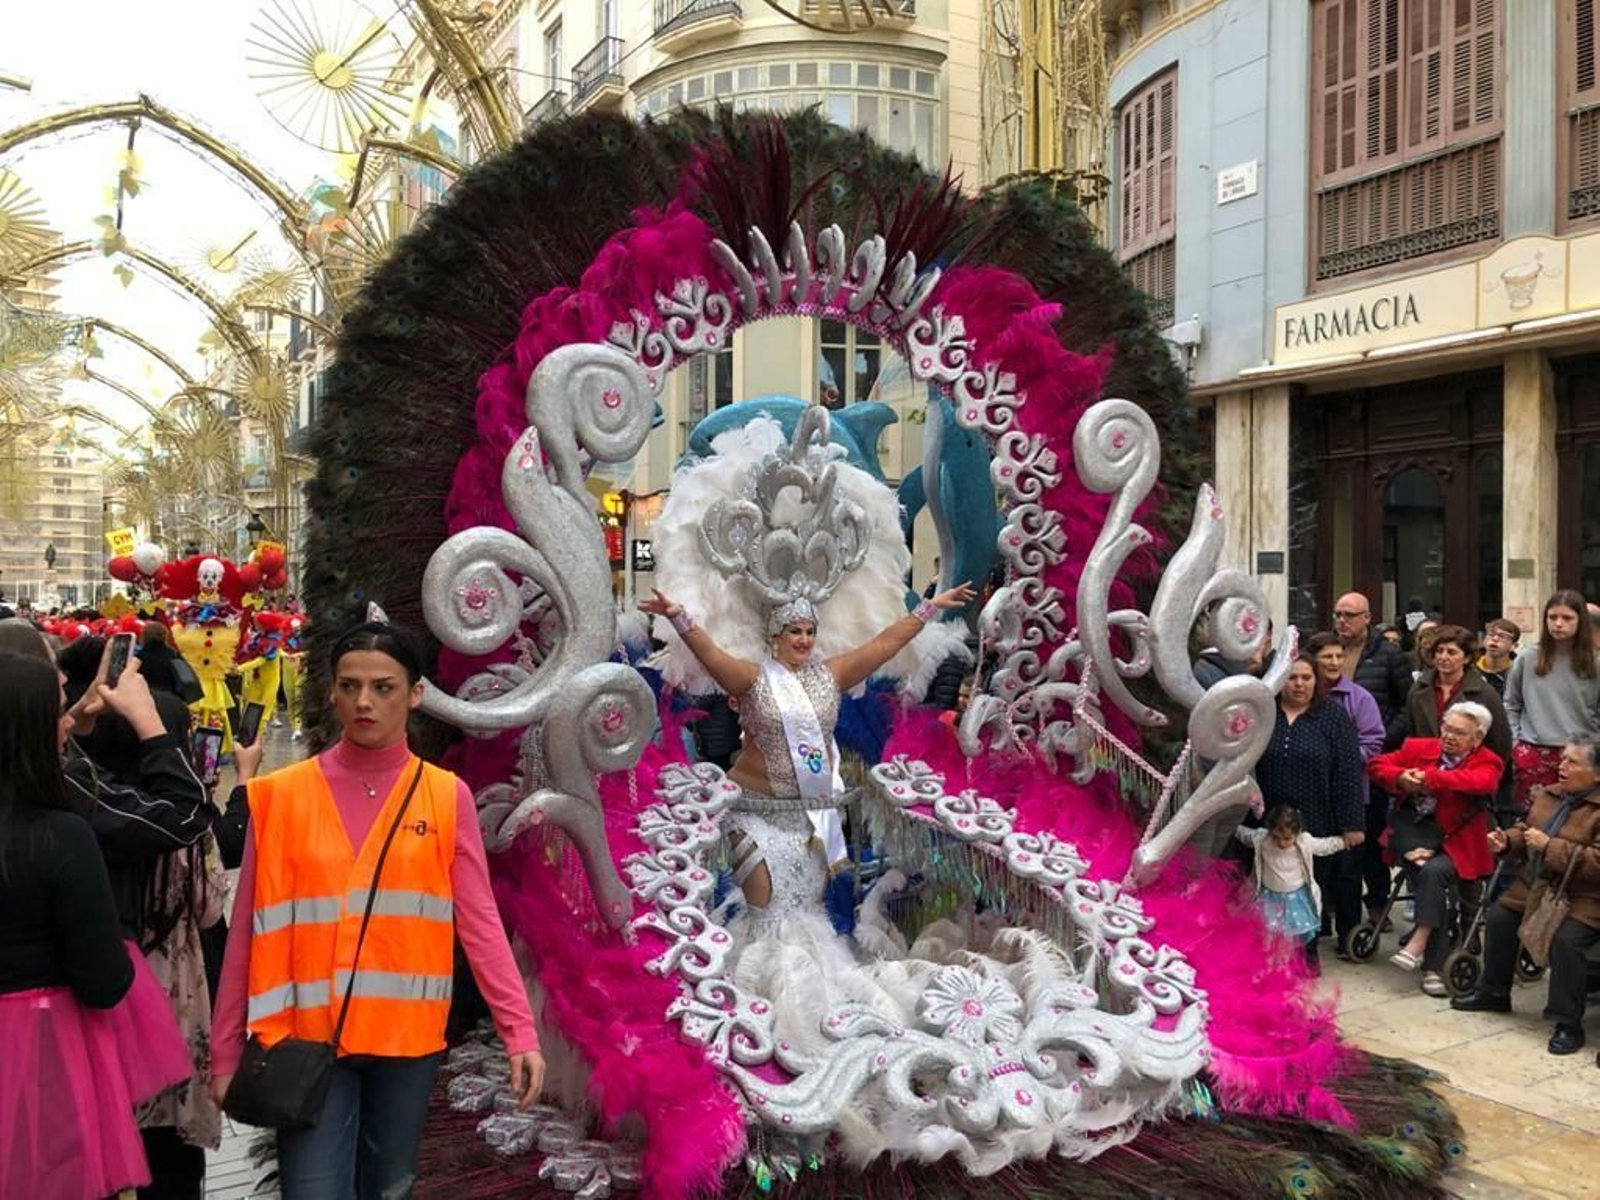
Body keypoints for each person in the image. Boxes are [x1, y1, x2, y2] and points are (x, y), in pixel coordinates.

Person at [211, 619, 545, 1198]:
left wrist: (519, 1031)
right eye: (350, 686)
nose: (364, 701)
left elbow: (480, 923)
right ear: (332, 693)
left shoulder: (444, 797)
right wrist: (224, 1053)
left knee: (389, 1190)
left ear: (415, 694)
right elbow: (245, 932)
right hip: (305, 1038)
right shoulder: (281, 797)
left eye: (383, 687)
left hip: (405, 1042)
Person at [640, 582, 975, 912]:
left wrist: (929, 608)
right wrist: (678, 617)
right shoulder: (752, 678)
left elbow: (884, 644)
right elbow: (711, 654)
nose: (804, 639)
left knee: (807, 911)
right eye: (795, 631)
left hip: (812, 816)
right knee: (765, 910)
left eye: (809, 631)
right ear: (776, 637)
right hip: (755, 814)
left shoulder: (832, 674)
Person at [0, 650, 193, 1200]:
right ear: (27, 731)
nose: (68, 724)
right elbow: (103, 982)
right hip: (44, 1057)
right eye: (58, 712)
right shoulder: (61, 836)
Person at [1452, 736, 1600, 1057]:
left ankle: (1567, 1022)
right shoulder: (1551, 794)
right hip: (1541, 884)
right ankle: (1494, 992)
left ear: (1596, 774)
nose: (1562, 766)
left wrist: (1550, 847)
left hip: (1585, 894)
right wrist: (1506, 841)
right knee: (1499, 916)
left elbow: (1597, 862)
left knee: (1567, 940)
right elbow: (1527, 829)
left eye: (1572, 762)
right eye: (1563, 759)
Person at [1369, 703, 1501, 997]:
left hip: (1459, 843)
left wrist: (1430, 778)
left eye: (1459, 733)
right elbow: (1377, 765)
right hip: (1414, 835)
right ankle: (1431, 966)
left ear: (1477, 738)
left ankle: (1421, 945)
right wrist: (1401, 778)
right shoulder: (1419, 746)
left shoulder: (1488, 761)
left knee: (1432, 873)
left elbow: (1482, 782)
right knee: (1431, 878)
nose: (1449, 736)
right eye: (1447, 728)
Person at [1251, 654, 1366, 966]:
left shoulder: (1333, 716)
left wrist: (1352, 823)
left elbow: (1348, 770)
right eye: (1292, 678)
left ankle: (1307, 950)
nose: (1299, 684)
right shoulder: (1263, 712)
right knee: (1271, 886)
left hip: (1317, 813)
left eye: (1306, 678)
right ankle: (1270, 951)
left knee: (1309, 885)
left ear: (1317, 680)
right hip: (1269, 816)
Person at [1504, 590, 1600, 815]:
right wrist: (1516, 742)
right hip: (1533, 751)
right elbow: (1511, 703)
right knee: (1530, 819)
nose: (1558, 624)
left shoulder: (1595, 661)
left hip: (1582, 754)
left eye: (1567, 618)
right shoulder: (1527, 658)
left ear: (1581, 621)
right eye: (1552, 617)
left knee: (1577, 820)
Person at [1235, 805, 1348, 964]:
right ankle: (1270, 964)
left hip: (1296, 900)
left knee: (1291, 936)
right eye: (1276, 837)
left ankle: (1291, 964)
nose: (1281, 843)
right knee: (1268, 934)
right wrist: (1231, 826)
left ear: (1298, 832)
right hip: (1269, 898)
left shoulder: (1304, 842)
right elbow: (1244, 835)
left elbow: (1324, 846)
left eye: (1287, 838)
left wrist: (1343, 841)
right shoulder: (1262, 839)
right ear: (1269, 831)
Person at [1477, 617, 1521, 696]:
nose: (1495, 638)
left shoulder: (1519, 672)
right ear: (1484, 640)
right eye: (1491, 634)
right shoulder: (1469, 668)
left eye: (1502, 636)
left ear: (1513, 646)